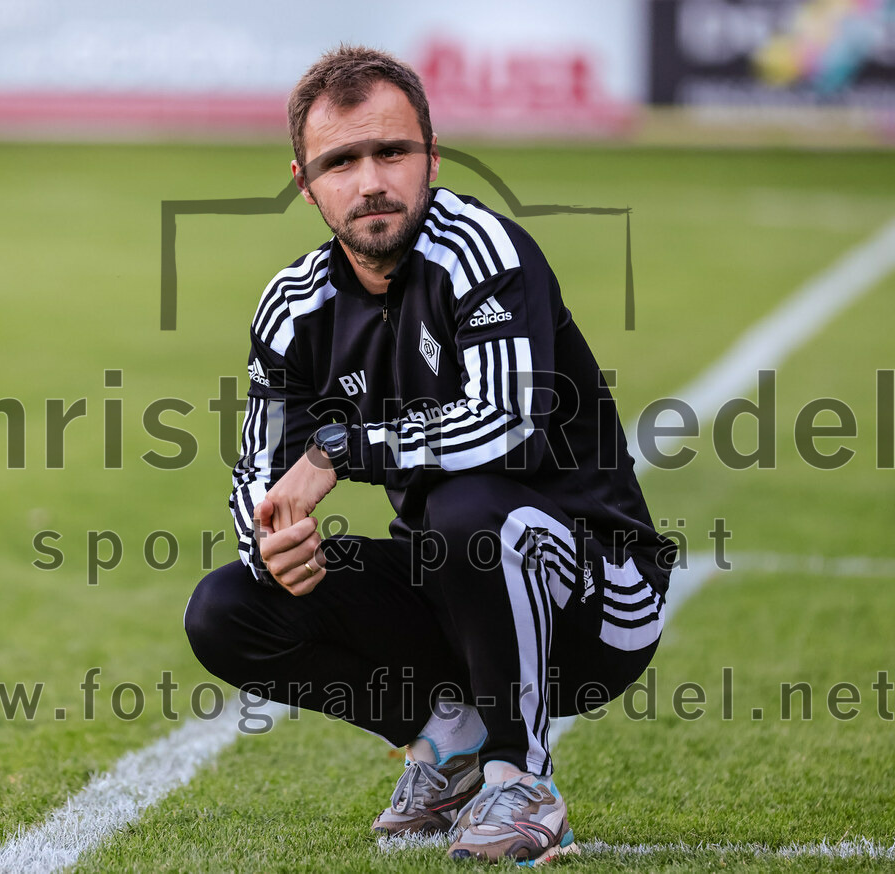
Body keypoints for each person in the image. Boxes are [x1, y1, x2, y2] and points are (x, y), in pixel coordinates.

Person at [184, 45, 675, 865]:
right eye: (341, 160)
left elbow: (506, 422)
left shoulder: (483, 252)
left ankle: (522, 783)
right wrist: (267, 539)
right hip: (459, 594)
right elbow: (258, 469)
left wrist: (343, 448)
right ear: (306, 183)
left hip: (600, 597)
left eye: (393, 151)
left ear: (432, 158)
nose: (371, 180)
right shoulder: (293, 307)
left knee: (465, 512)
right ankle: (449, 743)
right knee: (229, 607)